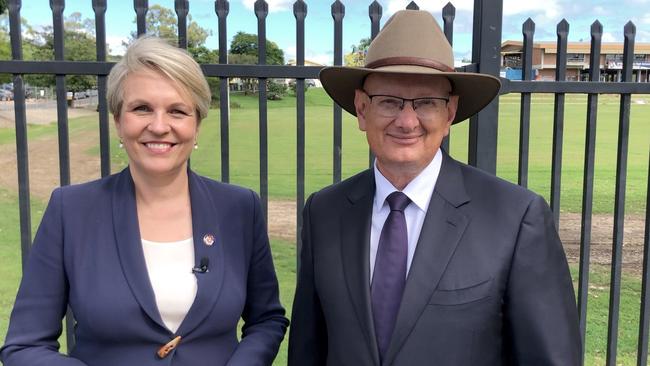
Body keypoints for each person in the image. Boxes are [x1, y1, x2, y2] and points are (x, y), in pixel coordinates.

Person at [289, 9, 580, 366]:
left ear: (450, 113)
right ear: (362, 110)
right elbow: (308, 349)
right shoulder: (324, 211)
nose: (407, 121)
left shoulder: (515, 218)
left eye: (427, 102)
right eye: (389, 102)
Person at [0, 36, 288, 366]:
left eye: (178, 111)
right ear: (118, 122)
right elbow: (23, 347)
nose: (159, 126)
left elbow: (267, 321)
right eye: (142, 108)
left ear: (197, 125)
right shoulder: (71, 211)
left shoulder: (239, 209)